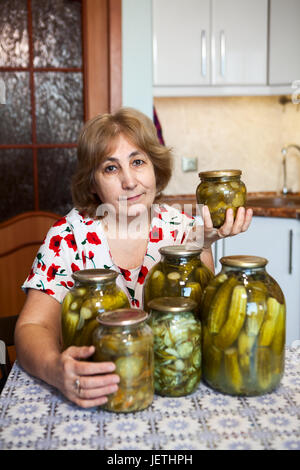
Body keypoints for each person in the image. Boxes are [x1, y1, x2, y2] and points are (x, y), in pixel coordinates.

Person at [15, 107, 253, 408]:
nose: (130, 181)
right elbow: (31, 327)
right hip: (97, 394)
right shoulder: (68, 236)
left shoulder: (184, 228)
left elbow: (203, 324)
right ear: (92, 183)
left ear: (155, 168)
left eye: (138, 162)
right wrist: (55, 369)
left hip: (173, 390)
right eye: (111, 168)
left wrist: (203, 246)